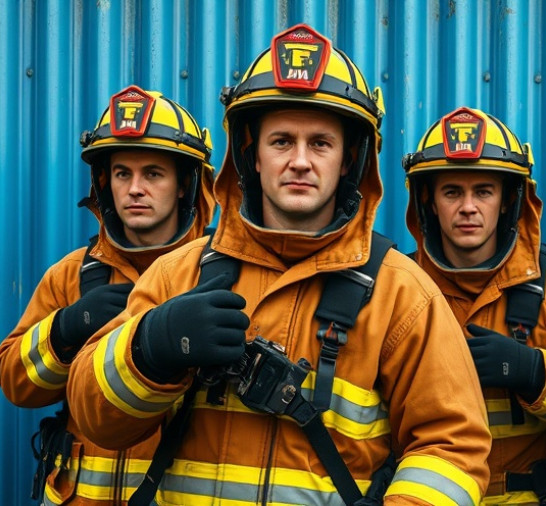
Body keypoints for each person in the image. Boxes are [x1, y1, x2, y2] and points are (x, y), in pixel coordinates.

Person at [67, 24, 492, 506]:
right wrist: (149, 348)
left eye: (321, 144)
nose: (300, 161)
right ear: (251, 155)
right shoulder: (176, 273)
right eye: (282, 141)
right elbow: (92, 417)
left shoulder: (403, 293)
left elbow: (451, 449)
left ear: (350, 159)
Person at [0, 85, 216, 504]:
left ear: (185, 185)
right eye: (122, 174)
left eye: (153, 173)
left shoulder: (218, 272)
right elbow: (14, 383)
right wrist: (64, 330)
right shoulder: (72, 274)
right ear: (105, 182)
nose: (135, 188)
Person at [402, 107, 546, 505]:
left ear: (508, 200)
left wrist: (533, 372)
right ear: (429, 201)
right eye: (452, 191)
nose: (468, 207)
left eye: (483, 191)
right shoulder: (399, 289)